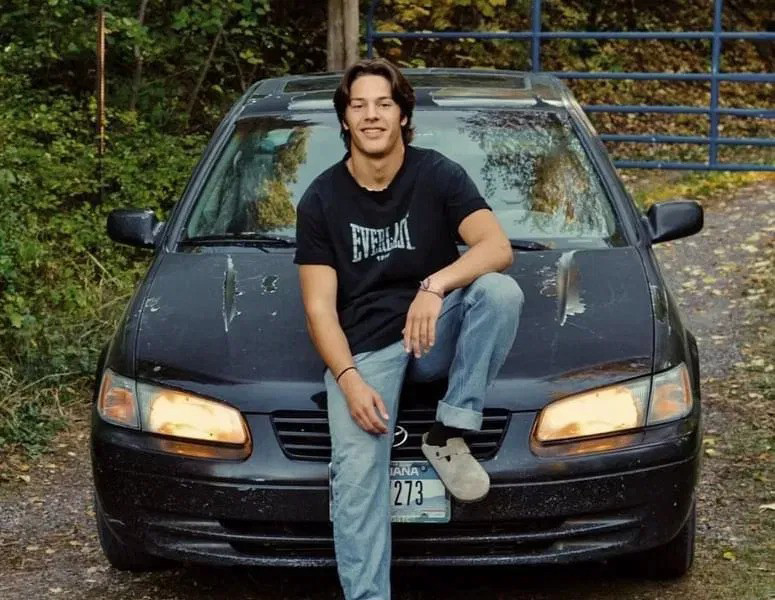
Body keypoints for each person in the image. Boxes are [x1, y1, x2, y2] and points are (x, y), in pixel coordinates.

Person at [293, 58, 524, 600]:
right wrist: (349, 379)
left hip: (431, 332)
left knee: (498, 291)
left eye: (384, 103)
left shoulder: (437, 173)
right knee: (356, 481)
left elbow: (497, 249)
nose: (372, 115)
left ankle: (449, 432)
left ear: (402, 115)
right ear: (345, 121)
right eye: (359, 105)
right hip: (365, 348)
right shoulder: (321, 201)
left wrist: (434, 286)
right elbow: (320, 310)